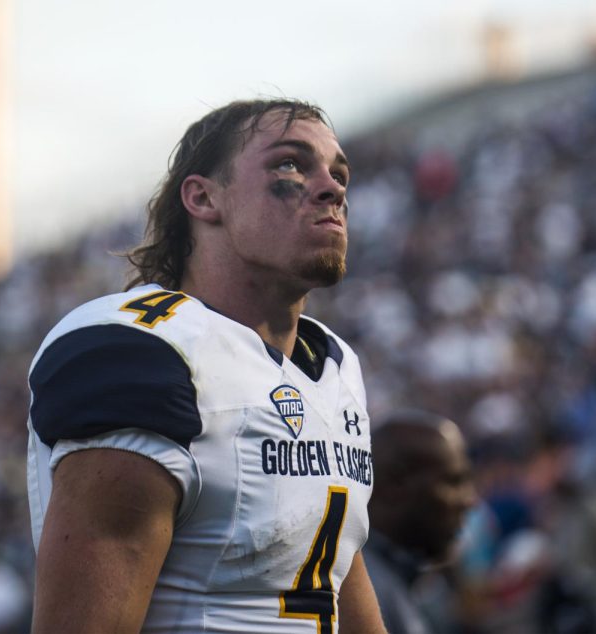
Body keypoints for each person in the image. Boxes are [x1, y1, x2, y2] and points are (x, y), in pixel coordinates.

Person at [26, 99, 387, 633]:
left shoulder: (334, 364)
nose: (332, 187)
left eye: (338, 173)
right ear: (203, 197)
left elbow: (332, 570)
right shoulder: (144, 350)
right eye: (290, 164)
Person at [363, 409, 477, 634]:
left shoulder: (400, 580)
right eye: (453, 482)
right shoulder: (362, 593)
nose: (469, 500)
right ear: (396, 484)